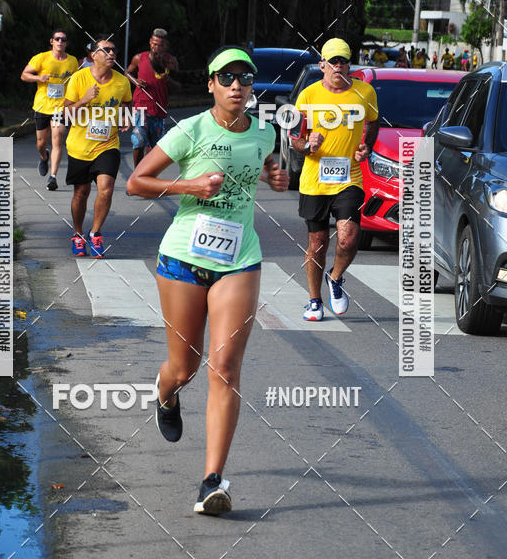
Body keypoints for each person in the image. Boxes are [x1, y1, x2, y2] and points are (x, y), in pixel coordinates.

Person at [127, 45, 289, 515]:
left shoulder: (265, 132)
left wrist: (275, 178)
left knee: (226, 368)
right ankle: (166, 393)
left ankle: (211, 482)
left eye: (245, 77)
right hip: (182, 258)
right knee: (185, 367)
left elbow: (264, 168)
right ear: (211, 85)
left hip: (239, 259)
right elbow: (137, 182)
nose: (237, 85)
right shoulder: (190, 129)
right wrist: (190, 186)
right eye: (227, 77)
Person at [290, 37, 379, 322]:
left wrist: (368, 146)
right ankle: (314, 301)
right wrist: (307, 144)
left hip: (349, 178)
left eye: (344, 61)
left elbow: (373, 122)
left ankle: (336, 277)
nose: (339, 66)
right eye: (334, 61)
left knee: (348, 239)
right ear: (322, 65)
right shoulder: (308, 95)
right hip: (314, 180)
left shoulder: (365, 92)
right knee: (317, 243)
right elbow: (294, 139)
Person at [63, 36, 131, 257]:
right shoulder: (78, 78)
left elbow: (127, 102)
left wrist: (126, 116)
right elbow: (66, 113)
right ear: (93, 55)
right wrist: (83, 100)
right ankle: (78, 233)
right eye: (106, 50)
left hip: (107, 145)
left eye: (114, 50)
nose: (112, 54)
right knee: (81, 192)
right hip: (79, 146)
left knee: (106, 188)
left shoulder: (122, 81)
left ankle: (95, 233)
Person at [21, 29, 78, 191]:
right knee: (41, 143)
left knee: (58, 137)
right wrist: (39, 78)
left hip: (61, 107)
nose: (60, 41)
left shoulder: (73, 61)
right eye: (57, 39)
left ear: (66, 43)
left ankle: (53, 177)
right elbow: (24, 75)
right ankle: (43, 156)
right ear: (51, 41)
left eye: (63, 39)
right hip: (42, 106)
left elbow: (76, 82)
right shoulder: (41, 58)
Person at [127, 28, 180, 167]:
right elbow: (127, 72)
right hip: (141, 106)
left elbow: (178, 86)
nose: (156, 47)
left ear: (166, 46)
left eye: (160, 45)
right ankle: (136, 175)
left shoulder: (171, 61)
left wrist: (168, 79)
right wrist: (135, 81)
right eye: (154, 44)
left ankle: (145, 176)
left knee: (155, 147)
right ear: (150, 42)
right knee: (138, 140)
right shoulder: (139, 58)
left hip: (159, 109)